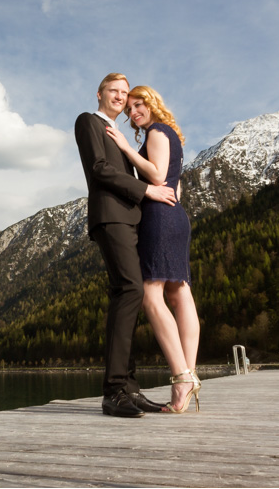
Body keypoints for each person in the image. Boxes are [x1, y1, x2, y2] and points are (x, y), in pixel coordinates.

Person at [74, 73, 178, 418]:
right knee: (131, 289)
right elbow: (100, 170)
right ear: (100, 93)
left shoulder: (119, 135)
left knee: (128, 294)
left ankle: (129, 388)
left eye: (124, 92)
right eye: (114, 91)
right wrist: (148, 191)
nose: (120, 97)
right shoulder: (88, 122)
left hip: (129, 220)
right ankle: (114, 390)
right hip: (111, 217)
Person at [105, 85, 201, 413]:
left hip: (160, 218)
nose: (133, 112)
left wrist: (125, 148)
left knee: (151, 295)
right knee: (180, 293)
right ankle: (187, 379)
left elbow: (158, 175)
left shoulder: (158, 131)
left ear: (153, 102)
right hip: (175, 215)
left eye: (138, 104)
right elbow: (176, 183)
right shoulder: (172, 134)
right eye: (130, 108)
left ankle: (182, 376)